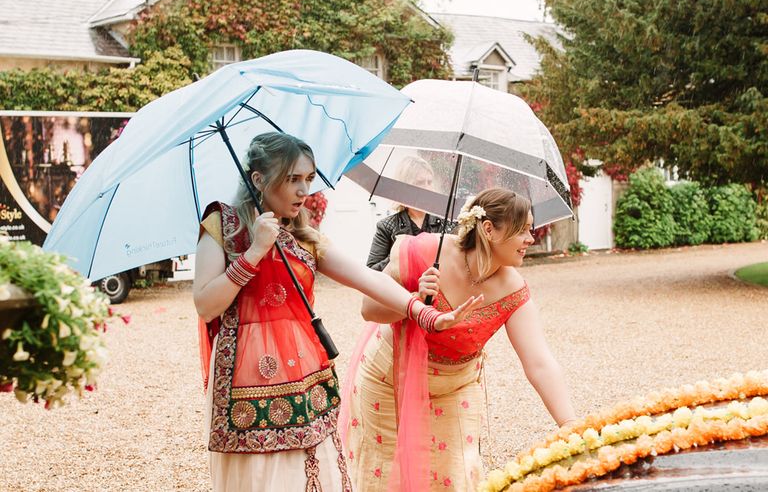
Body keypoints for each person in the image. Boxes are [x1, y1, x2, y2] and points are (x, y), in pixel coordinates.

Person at [193, 131, 483, 492]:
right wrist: (254, 252)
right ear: (258, 180)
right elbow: (206, 304)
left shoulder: (303, 236)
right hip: (245, 387)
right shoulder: (222, 224)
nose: (304, 191)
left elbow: (367, 279)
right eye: (293, 180)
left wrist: (424, 314)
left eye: (309, 180)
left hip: (307, 381)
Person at [340, 188, 576, 492]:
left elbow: (539, 362)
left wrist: (569, 424)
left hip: (456, 387)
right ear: (489, 229)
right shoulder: (422, 251)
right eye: (523, 230)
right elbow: (368, 309)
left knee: (457, 474)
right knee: (388, 475)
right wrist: (414, 298)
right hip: (389, 382)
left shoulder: (513, 288)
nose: (531, 238)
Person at [367, 156, 446, 271]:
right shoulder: (386, 227)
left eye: (429, 182)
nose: (428, 188)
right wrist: (401, 253)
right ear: (404, 187)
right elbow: (372, 272)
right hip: (400, 289)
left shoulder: (445, 224)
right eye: (420, 183)